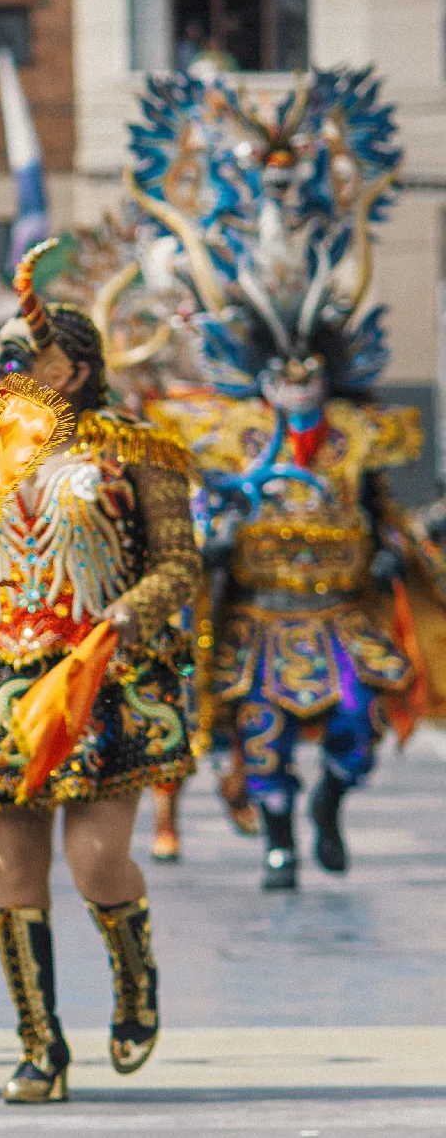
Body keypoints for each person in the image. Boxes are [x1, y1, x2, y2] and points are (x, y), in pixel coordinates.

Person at [0, 243, 198, 1103]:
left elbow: (179, 562)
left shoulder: (138, 448)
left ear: (73, 370)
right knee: (13, 872)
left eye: (25, 356)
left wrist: (130, 612)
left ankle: (135, 977)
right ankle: (40, 1044)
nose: (6, 370)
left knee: (98, 859)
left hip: (100, 675)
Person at [142, 66, 439, 892]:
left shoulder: (354, 433)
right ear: (262, 379)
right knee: (260, 733)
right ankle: (279, 838)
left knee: (358, 725)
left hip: (340, 612)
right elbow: (201, 514)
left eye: (311, 370)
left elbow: (382, 508)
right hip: (261, 613)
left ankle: (331, 805)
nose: (299, 383)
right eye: (284, 372)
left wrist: (390, 551)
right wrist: (213, 546)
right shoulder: (227, 438)